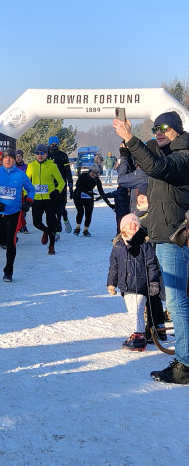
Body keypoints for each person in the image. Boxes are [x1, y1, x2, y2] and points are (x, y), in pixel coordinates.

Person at [114, 110, 189, 384]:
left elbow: (158, 168)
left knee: (178, 302)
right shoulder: (164, 154)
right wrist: (141, 231)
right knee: (177, 300)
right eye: (156, 127)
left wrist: (130, 138)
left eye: (165, 127)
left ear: (177, 131)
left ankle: (185, 365)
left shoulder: (182, 157)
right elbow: (160, 205)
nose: (159, 131)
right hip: (163, 234)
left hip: (175, 238)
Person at [107, 213, 161, 351]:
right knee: (132, 312)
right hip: (125, 285)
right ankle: (138, 332)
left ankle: (139, 336)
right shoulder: (118, 246)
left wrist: (154, 283)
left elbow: (152, 265)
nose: (133, 226)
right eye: (130, 224)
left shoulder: (144, 245)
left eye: (136, 224)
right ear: (122, 228)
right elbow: (114, 266)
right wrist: (111, 283)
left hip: (141, 284)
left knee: (137, 311)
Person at [0, 148, 35, 281]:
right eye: (5, 157)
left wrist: (28, 202)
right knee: (3, 241)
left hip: (14, 211)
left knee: (10, 243)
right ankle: (7, 240)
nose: (8, 159)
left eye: (10, 157)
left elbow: (31, 189)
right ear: (2, 159)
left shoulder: (20, 174)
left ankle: (8, 270)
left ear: (14, 159)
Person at [26, 144, 65, 255]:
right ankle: (46, 231)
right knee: (36, 222)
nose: (40, 155)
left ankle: (51, 246)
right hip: (36, 199)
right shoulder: (31, 166)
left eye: (42, 153)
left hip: (50, 199)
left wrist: (57, 191)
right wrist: (26, 195)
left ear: (46, 154)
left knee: (51, 222)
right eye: (37, 153)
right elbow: (26, 182)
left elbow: (61, 182)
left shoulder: (52, 166)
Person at [72, 164, 114, 236]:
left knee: (89, 213)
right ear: (89, 171)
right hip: (78, 196)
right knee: (80, 211)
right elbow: (78, 186)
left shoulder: (97, 180)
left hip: (88, 197)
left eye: (96, 173)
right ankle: (77, 228)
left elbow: (102, 193)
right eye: (93, 172)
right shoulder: (83, 176)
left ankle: (86, 230)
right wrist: (89, 193)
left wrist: (109, 204)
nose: (94, 175)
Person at [47, 136, 74, 234]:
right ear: (49, 145)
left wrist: (71, 186)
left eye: (56, 144)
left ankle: (65, 219)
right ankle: (57, 229)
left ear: (58, 145)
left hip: (61, 184)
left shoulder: (63, 155)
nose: (54, 146)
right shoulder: (46, 155)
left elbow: (68, 172)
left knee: (61, 209)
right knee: (53, 209)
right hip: (50, 185)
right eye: (52, 144)